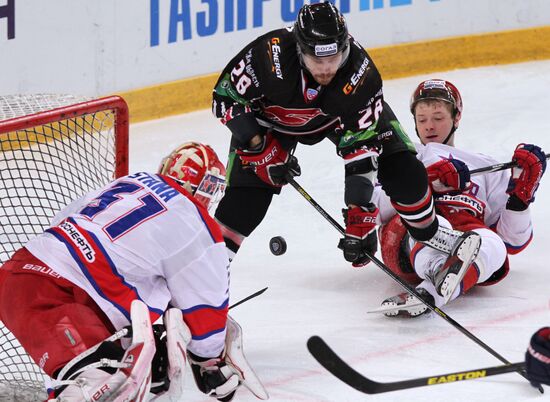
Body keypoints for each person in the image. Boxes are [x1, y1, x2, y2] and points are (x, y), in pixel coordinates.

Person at [211, 2, 475, 283]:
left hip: (338, 118)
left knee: (403, 170)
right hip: (270, 124)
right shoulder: (268, 57)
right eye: (317, 60)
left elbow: (362, 150)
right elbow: (224, 98)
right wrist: (258, 145)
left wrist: (360, 213)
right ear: (300, 51)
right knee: (245, 202)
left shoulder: (362, 75)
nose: (327, 69)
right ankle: (206, 274)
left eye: (334, 58)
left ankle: (430, 235)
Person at [0, 142, 268, 401]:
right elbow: (207, 313)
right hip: (62, 297)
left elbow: (66, 224)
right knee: (99, 389)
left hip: (22, 274)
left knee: (130, 375)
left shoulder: (129, 182)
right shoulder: (196, 224)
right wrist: (211, 364)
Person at [373, 79, 547, 316]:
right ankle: (439, 272)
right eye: (421, 119)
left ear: (456, 118)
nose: (429, 126)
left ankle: (430, 293)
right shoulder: (400, 158)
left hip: (465, 235)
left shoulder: (485, 166)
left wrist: (521, 195)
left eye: (438, 117)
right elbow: (375, 210)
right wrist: (424, 181)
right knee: (433, 226)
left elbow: (512, 241)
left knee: (492, 243)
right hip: (409, 232)